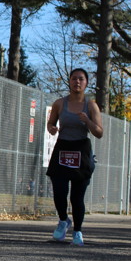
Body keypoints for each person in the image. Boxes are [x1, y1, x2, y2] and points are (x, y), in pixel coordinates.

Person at [45, 68, 104, 246]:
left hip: (81, 150)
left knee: (77, 197)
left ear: (86, 83)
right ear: (69, 81)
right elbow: (50, 123)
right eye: (74, 78)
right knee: (59, 191)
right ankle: (63, 220)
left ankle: (77, 231)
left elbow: (99, 132)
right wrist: (52, 128)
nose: (77, 82)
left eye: (81, 79)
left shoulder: (91, 105)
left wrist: (88, 121)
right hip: (63, 148)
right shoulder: (59, 104)